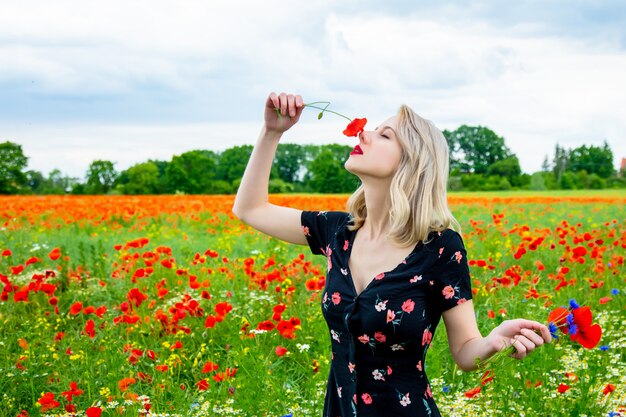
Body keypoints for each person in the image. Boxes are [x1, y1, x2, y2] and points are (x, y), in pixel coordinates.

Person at [232, 92, 553, 416]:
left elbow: (465, 350)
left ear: (412, 162)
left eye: (384, 134)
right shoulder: (336, 232)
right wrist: (272, 132)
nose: (363, 134)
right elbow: (250, 209)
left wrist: (493, 341)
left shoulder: (440, 248)